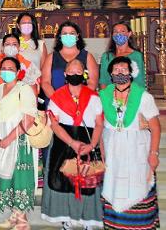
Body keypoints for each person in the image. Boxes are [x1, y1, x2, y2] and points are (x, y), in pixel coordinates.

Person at [41, 59, 104, 230]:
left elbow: (99, 123)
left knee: (88, 182)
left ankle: (87, 220)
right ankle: (66, 218)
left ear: (84, 74)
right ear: (65, 74)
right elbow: (54, 124)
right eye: (71, 72)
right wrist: (71, 142)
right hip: (64, 144)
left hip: (87, 144)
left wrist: (92, 145)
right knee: (63, 182)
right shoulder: (57, 97)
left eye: (78, 72)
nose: (74, 75)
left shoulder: (93, 97)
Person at [100, 56, 161, 230]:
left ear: (131, 73)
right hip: (113, 151)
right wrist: (102, 150)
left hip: (137, 151)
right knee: (114, 188)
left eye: (124, 69)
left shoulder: (143, 96)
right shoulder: (103, 96)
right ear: (111, 74)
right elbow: (100, 126)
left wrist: (154, 153)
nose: (120, 72)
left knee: (138, 186)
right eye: (116, 69)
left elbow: (156, 127)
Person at [0, 56, 38, 230]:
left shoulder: (24, 89)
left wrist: (8, 139)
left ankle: (23, 220)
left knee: (19, 178)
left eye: (10, 68)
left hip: (17, 139)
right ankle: (15, 214)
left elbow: (29, 118)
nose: (6, 71)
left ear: (17, 71)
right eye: (4, 68)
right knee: (6, 177)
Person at [41, 21, 98, 100]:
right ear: (60, 37)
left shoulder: (88, 56)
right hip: (56, 102)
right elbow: (45, 83)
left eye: (72, 33)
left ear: (77, 36)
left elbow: (92, 83)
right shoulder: (51, 57)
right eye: (64, 33)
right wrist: (58, 100)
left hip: (82, 102)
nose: (68, 36)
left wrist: (79, 100)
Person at [99, 22, 146, 89]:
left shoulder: (137, 55)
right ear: (112, 35)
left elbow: (139, 81)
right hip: (111, 95)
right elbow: (103, 80)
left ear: (129, 34)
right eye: (115, 31)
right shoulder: (106, 56)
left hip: (131, 95)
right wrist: (106, 97)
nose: (119, 34)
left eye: (122, 31)